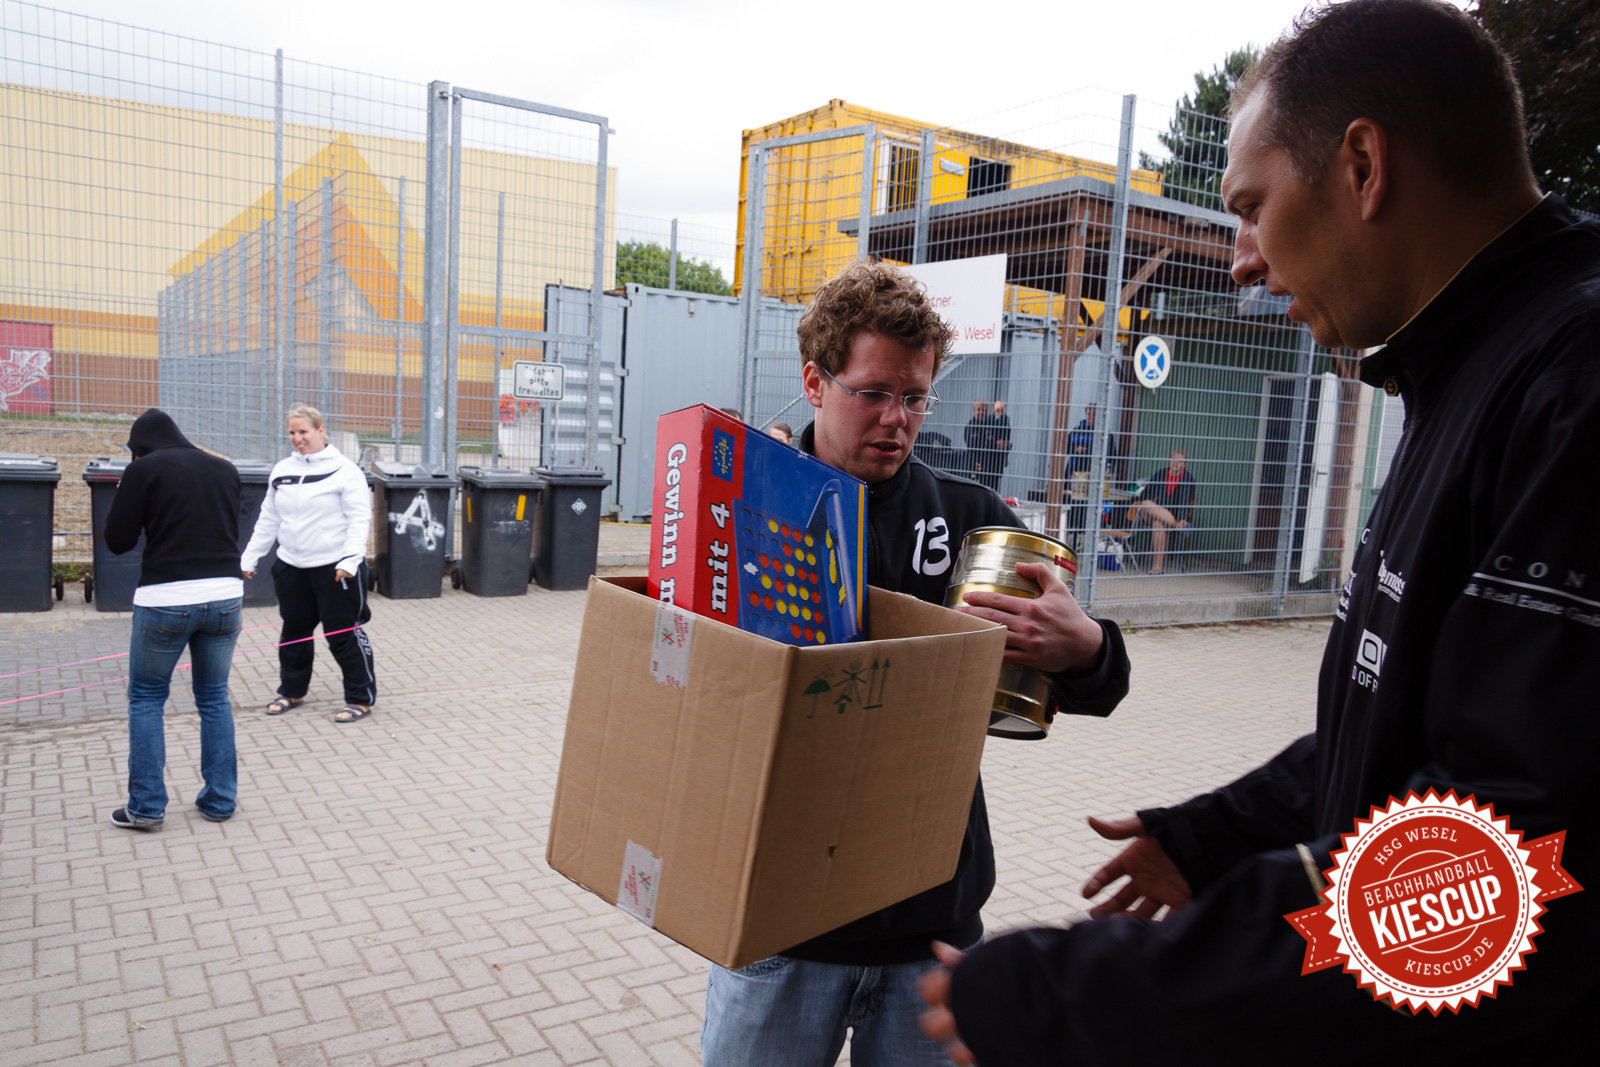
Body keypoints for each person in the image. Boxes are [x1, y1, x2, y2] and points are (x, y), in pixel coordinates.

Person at [920, 1, 1600, 1061]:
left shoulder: (1574, 388)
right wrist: (1216, 828)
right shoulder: (1467, 374)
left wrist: (1094, 993)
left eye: (1250, 203)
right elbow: (1408, 722)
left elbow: (1514, 856)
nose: (1239, 257)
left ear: (1362, 166)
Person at [700, 260, 1130, 1066]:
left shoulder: (973, 524)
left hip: (929, 925)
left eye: (916, 395)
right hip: (782, 926)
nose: (897, 418)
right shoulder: (747, 514)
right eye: (873, 392)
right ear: (817, 383)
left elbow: (1094, 684)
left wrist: (1090, 648)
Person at [103, 409, 244, 829]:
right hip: (225, 596)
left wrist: (130, 491)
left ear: (139, 448)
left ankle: (145, 807)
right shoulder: (224, 468)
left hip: (166, 597)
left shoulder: (143, 470)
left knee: (147, 699)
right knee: (214, 697)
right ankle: (220, 801)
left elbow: (117, 540)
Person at [241, 405, 376, 724]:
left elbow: (360, 518)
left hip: (335, 569)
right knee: (294, 633)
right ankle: (292, 691)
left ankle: (360, 697)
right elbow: (269, 517)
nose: (297, 438)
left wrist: (351, 560)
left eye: (303, 432)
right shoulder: (282, 468)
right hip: (291, 566)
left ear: (320, 430)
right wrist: (251, 555)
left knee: (341, 634)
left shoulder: (345, 470)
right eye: (292, 433)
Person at [1127, 449, 1195, 574]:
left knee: (1159, 523)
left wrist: (1182, 518)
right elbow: (1145, 494)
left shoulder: (1187, 478)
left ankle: (1157, 567)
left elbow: (1185, 502)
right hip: (1149, 514)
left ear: (1185, 464)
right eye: (1174, 459)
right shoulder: (1161, 473)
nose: (1175, 463)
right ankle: (1177, 525)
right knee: (1147, 504)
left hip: (1167, 517)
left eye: (1180, 461)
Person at [962, 399, 1004, 492]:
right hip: (975, 466)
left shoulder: (993, 424)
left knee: (991, 492)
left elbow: (1002, 439)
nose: (981, 412)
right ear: (974, 411)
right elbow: (973, 444)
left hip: (992, 467)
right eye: (978, 409)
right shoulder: (970, 426)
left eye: (983, 410)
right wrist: (994, 444)